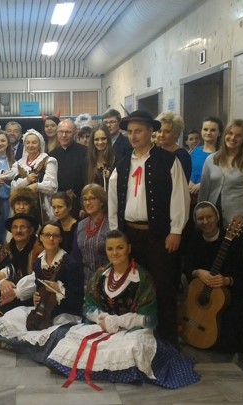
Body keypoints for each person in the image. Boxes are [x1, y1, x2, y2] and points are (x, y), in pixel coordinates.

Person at [47, 230, 200, 389]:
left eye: (120, 248)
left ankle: (118, 371)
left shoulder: (142, 278)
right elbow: (88, 306)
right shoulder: (101, 275)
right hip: (102, 326)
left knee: (133, 346)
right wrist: (104, 319)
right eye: (110, 249)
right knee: (72, 338)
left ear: (129, 248)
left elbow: (148, 318)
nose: (115, 253)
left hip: (132, 330)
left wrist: (119, 321)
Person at [108, 109, 189, 346]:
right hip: (130, 235)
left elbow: (180, 197)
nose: (133, 136)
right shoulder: (122, 164)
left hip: (159, 236)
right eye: (130, 132)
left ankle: (167, 341)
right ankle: (137, 339)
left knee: (163, 287)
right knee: (133, 286)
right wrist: (116, 234)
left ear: (151, 132)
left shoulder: (168, 160)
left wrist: (176, 230)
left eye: (138, 131)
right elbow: (113, 200)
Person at [184, 202, 243, 353]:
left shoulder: (231, 240)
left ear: (217, 217)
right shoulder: (194, 240)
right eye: (200, 218)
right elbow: (187, 268)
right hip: (203, 292)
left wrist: (226, 280)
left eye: (209, 217)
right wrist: (197, 272)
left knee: (233, 321)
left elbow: (242, 274)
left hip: (230, 294)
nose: (205, 221)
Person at [0, 221, 84, 357]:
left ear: (60, 239)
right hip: (43, 313)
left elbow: (78, 300)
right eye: (47, 235)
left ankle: (6, 344)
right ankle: (5, 341)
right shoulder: (39, 263)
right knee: (12, 316)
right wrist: (37, 296)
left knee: (54, 337)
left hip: (64, 314)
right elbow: (39, 288)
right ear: (41, 237)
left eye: (55, 236)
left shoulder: (70, 264)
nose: (51, 239)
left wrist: (60, 290)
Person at [198, 119, 243, 249]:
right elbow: (203, 194)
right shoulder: (211, 160)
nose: (233, 138)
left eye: (238, 135)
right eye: (230, 133)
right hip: (211, 222)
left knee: (235, 260)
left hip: (238, 223)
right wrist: (199, 220)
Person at [9, 129, 58, 223]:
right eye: (28, 142)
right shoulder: (19, 163)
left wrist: (35, 186)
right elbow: (13, 187)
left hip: (42, 207)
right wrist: (27, 181)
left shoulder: (48, 161)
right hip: (22, 207)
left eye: (34, 142)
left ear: (40, 144)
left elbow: (52, 186)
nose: (30, 145)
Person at [0, 213, 45, 305]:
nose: (18, 230)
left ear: (31, 230)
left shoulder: (39, 249)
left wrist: (16, 292)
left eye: (22, 227)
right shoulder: (6, 249)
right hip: (8, 289)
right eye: (15, 227)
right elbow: (1, 270)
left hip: (30, 293)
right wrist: (3, 282)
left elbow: (37, 278)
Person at [49, 119, 87, 218]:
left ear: (75, 133)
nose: (64, 135)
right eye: (61, 132)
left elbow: (88, 180)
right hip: (58, 205)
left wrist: (84, 205)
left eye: (68, 132)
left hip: (79, 203)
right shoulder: (52, 155)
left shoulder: (85, 152)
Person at [73, 184, 110, 283]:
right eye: (85, 199)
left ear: (102, 201)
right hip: (86, 280)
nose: (87, 203)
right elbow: (76, 257)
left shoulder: (112, 224)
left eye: (92, 198)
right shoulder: (81, 225)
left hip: (109, 278)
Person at [0, 130, 15, 243]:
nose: (0, 143)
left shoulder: (13, 161)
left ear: (8, 143)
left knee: (7, 229)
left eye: (3, 141)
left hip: (8, 201)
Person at [189, 117, 222, 198]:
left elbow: (223, 177)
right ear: (201, 131)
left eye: (213, 130)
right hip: (191, 196)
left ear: (219, 133)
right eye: (205, 129)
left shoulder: (222, 154)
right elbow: (188, 171)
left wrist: (202, 185)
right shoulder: (194, 152)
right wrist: (189, 182)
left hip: (212, 196)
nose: (208, 132)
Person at [155, 111, 191, 181]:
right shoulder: (155, 151)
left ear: (176, 134)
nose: (162, 135)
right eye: (159, 131)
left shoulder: (182, 156)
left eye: (167, 132)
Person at [87, 124, 116, 191]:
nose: (100, 142)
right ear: (92, 141)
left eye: (103, 139)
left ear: (108, 139)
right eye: (96, 139)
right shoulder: (86, 162)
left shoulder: (116, 160)